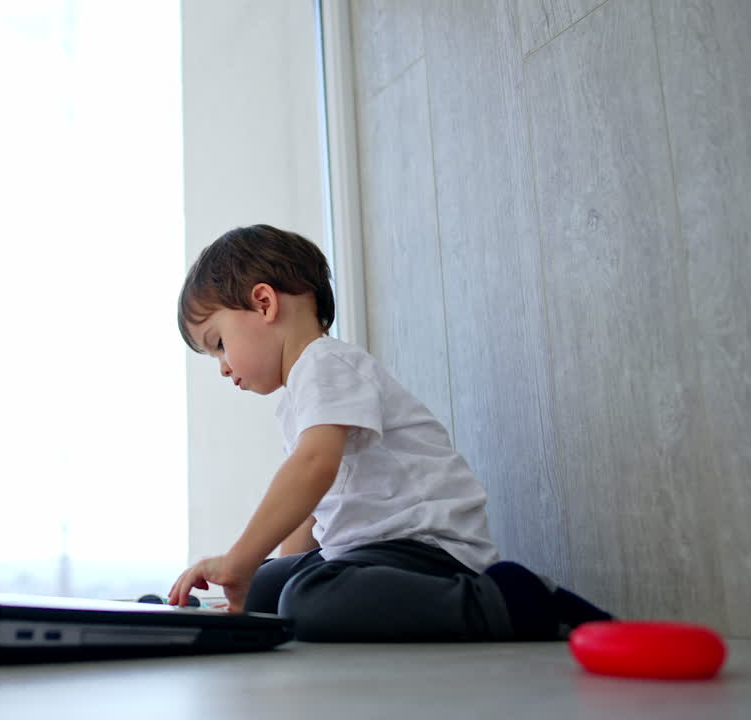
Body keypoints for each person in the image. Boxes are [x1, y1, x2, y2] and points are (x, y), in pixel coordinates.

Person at [167, 224, 611, 641]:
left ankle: (507, 600)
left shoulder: (324, 364)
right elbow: (308, 509)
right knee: (272, 589)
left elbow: (313, 468)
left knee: (305, 597)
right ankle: (284, 593)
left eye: (219, 343)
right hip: (372, 549)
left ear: (264, 303)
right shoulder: (302, 392)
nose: (223, 367)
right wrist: (266, 579)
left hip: (426, 548)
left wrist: (241, 560)